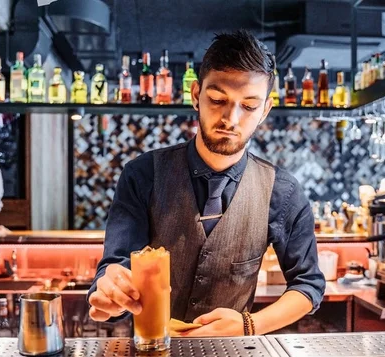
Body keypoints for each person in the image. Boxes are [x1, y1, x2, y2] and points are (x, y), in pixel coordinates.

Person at [88, 29, 325, 336]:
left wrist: (250, 325)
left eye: (249, 106)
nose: (231, 118)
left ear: (265, 110)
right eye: (217, 99)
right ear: (196, 95)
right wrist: (111, 291)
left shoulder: (283, 191)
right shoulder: (143, 174)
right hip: (152, 353)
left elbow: (308, 286)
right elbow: (116, 265)